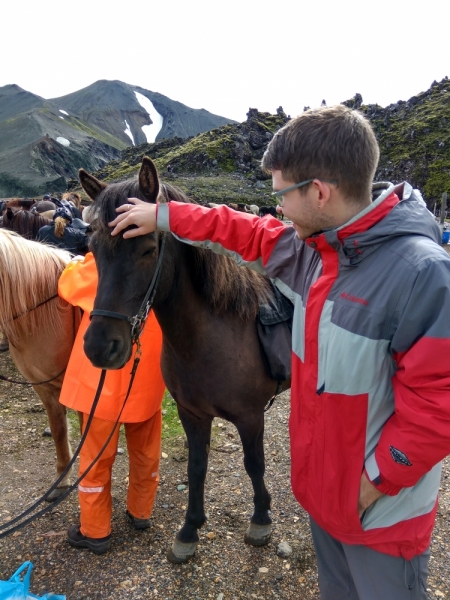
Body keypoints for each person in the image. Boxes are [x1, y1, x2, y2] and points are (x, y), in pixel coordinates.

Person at [108, 105, 450, 599]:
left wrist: (375, 482)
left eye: (280, 194)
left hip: (381, 517)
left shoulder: (422, 274)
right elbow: (240, 231)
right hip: (325, 501)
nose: (276, 209)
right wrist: (160, 214)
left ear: (318, 192)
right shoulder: (313, 249)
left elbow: (440, 404)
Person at [58, 252, 166, 554]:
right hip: (148, 375)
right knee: (146, 451)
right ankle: (141, 511)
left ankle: (94, 530)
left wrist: (80, 260)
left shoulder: (106, 258)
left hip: (101, 380)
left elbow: (69, 284)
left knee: (96, 457)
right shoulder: (159, 258)